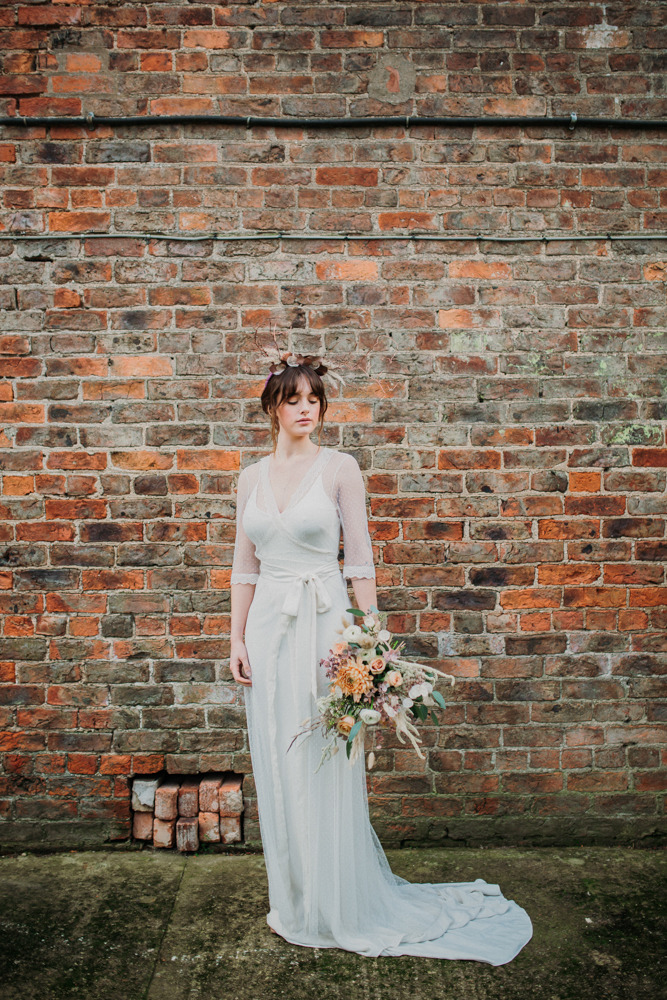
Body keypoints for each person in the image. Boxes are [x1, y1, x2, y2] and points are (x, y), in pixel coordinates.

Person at [229, 355, 532, 964]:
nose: (305, 409)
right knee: (278, 756)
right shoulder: (250, 478)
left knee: (324, 758)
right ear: (272, 408)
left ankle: (340, 901)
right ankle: (296, 902)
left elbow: (360, 562)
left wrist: (370, 638)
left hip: (326, 627)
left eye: (314, 398)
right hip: (268, 631)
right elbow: (244, 569)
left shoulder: (340, 469)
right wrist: (235, 638)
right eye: (293, 400)